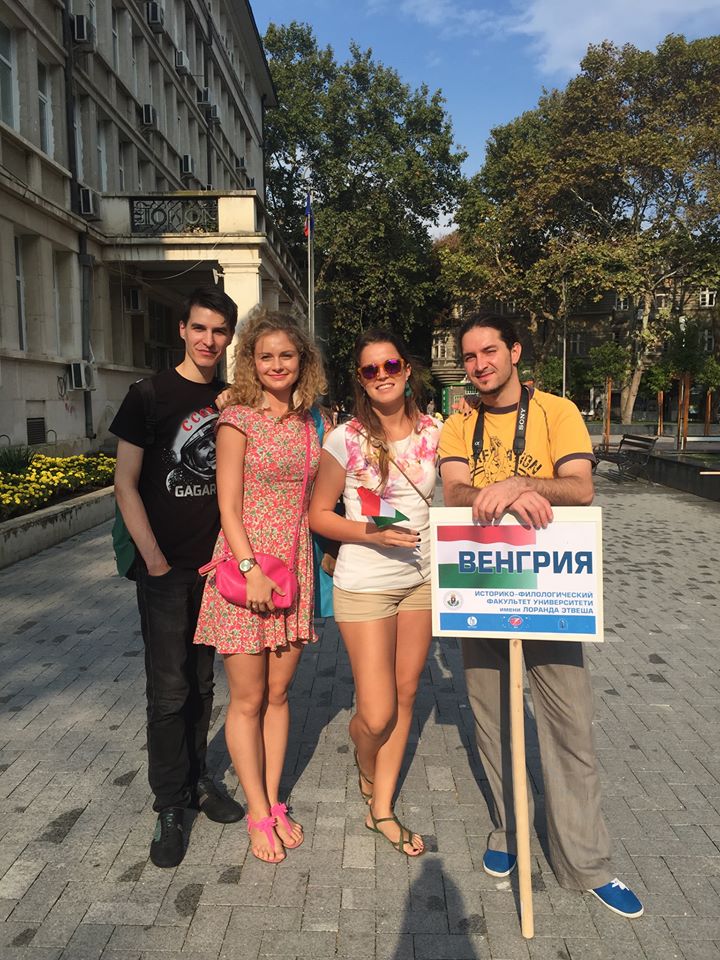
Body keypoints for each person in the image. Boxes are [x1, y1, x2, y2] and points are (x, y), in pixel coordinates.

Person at [438, 312, 644, 918]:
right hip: (481, 586)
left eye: (490, 351)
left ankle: (586, 862)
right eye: (470, 356)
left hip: (551, 589)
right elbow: (454, 492)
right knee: (494, 721)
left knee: (568, 726)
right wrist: (503, 490)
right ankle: (510, 832)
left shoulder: (558, 411)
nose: (479, 365)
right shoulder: (459, 422)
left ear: (516, 352)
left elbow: (579, 487)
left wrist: (518, 485)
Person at [111, 286, 243, 869]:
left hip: (214, 569)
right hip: (165, 571)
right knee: (169, 690)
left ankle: (196, 780)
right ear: (184, 330)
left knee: (204, 684)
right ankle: (169, 802)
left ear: (229, 337)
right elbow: (125, 484)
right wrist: (155, 560)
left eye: (219, 330)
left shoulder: (231, 399)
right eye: (200, 328)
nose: (209, 339)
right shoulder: (148, 395)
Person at [193, 309, 326, 864]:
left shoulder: (311, 421)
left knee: (278, 695)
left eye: (286, 355)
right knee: (247, 699)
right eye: (265, 355)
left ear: (302, 361)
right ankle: (256, 812)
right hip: (245, 573)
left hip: (293, 570)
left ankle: (273, 800)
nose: (276, 364)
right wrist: (250, 570)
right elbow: (227, 505)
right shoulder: (237, 419)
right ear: (250, 360)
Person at [309, 328, 440, 857]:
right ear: (360, 380)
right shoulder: (345, 439)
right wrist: (371, 533)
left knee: (406, 697)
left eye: (390, 365)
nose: (382, 375)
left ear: (406, 370)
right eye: (370, 370)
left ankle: (381, 808)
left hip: (422, 582)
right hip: (364, 585)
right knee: (378, 712)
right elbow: (319, 515)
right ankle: (365, 758)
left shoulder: (437, 432)